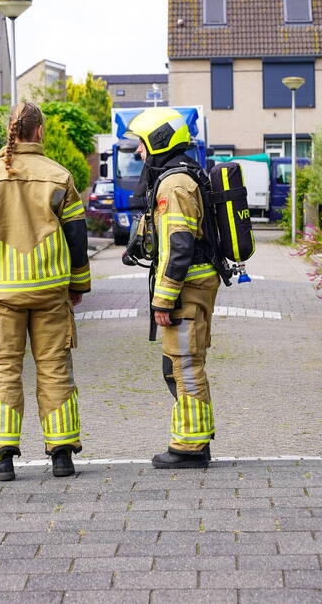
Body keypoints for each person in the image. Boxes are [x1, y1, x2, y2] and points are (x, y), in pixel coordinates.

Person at [0, 102, 90, 481]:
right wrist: (78, 284)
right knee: (55, 369)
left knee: (3, 374)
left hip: (2, 295)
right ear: (39, 131)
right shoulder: (59, 176)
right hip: (50, 291)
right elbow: (77, 238)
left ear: (11, 132)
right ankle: (62, 456)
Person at [125, 108, 220, 470]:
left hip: (186, 290)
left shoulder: (174, 185)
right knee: (177, 365)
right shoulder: (180, 176)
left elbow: (178, 246)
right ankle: (196, 437)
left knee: (185, 366)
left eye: (141, 145)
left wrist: (162, 300)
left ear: (158, 141)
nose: (138, 153)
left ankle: (190, 449)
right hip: (192, 286)